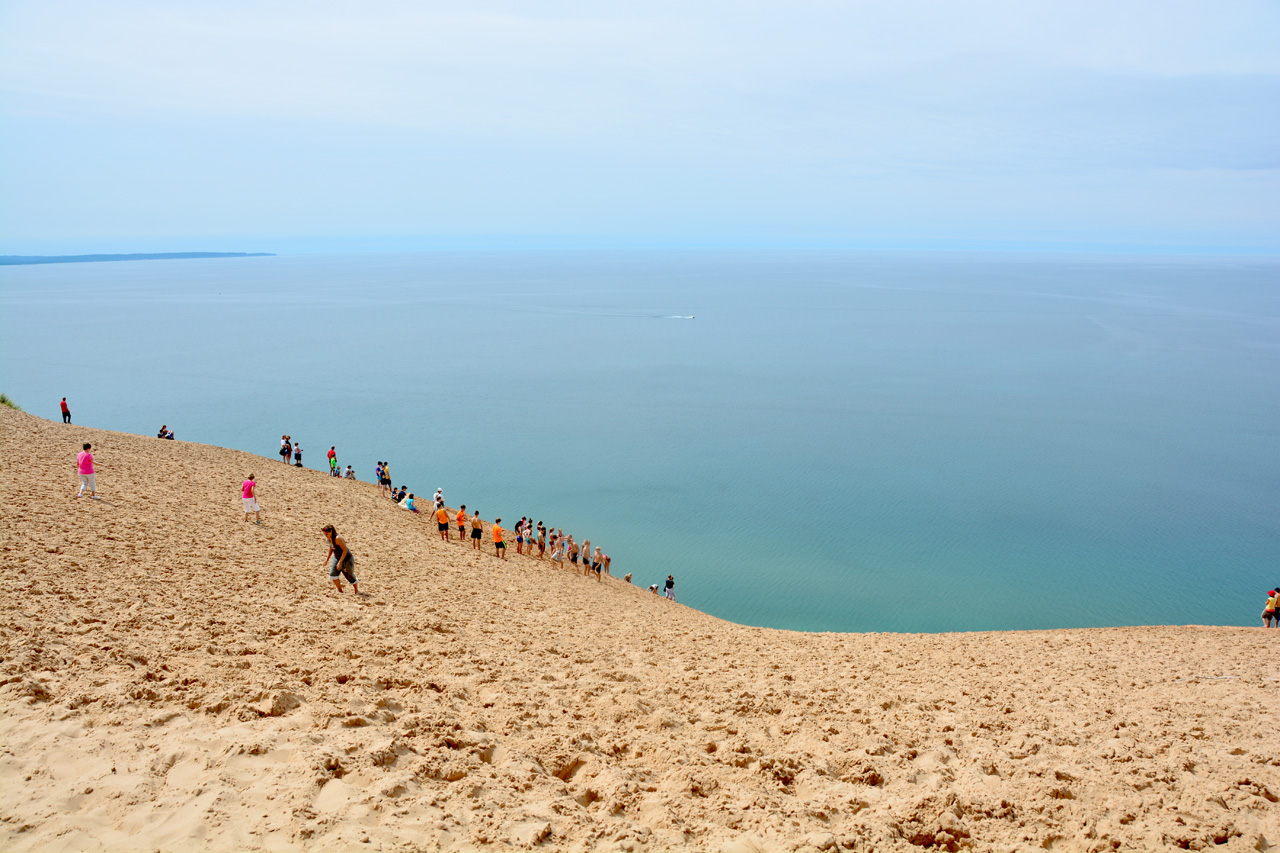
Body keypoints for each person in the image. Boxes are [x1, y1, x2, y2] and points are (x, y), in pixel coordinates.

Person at [321, 525, 359, 594]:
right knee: (333, 574)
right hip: (337, 557)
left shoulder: (338, 538)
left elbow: (345, 550)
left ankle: (356, 590)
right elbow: (331, 548)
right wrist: (327, 559)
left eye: (326, 534)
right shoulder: (329, 538)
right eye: (324, 534)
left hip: (346, 558)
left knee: (349, 575)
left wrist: (340, 562)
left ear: (331, 531)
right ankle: (340, 590)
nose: (325, 536)